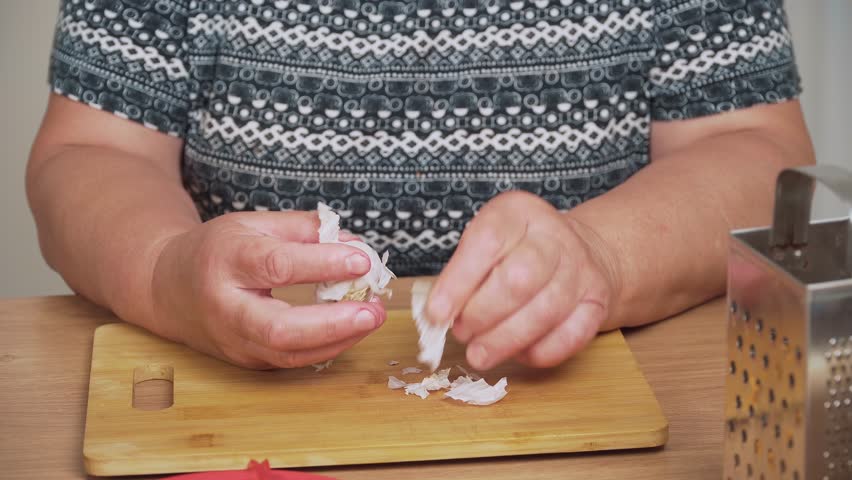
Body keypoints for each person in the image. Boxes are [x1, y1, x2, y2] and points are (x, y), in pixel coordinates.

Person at [28, 0, 814, 371]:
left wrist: (603, 254)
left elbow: (755, 156)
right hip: (244, 412)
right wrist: (167, 270)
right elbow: (92, 152)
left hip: (590, 405)